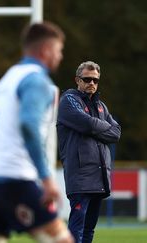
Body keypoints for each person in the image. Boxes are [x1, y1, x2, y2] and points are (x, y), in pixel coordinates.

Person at [0, 21, 73, 243]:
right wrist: (46, 179)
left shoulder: (8, 77)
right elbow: (28, 124)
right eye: (59, 50)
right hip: (12, 178)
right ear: (46, 51)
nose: (60, 56)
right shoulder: (38, 81)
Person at [57, 61, 121, 243]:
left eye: (95, 80)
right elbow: (87, 123)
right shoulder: (68, 100)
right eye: (87, 79)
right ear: (77, 80)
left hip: (99, 176)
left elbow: (116, 134)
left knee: (89, 229)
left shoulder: (101, 106)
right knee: (77, 227)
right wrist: (100, 128)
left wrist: (95, 127)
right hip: (80, 176)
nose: (91, 83)